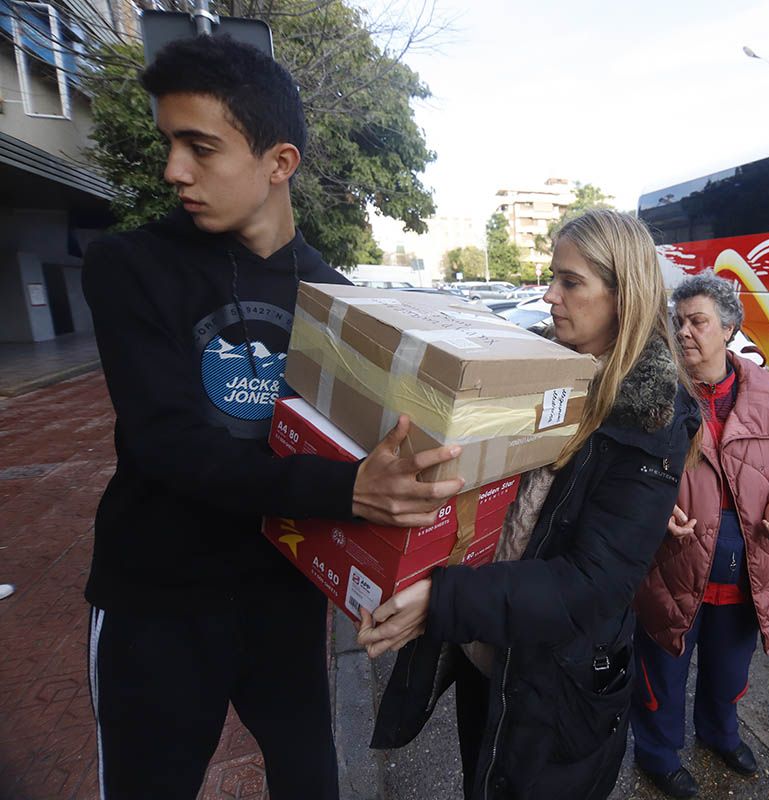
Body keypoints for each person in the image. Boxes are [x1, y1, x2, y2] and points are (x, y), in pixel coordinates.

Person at [82, 36, 464, 799]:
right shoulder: (130, 265)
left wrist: (404, 564)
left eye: (201, 148)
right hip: (155, 599)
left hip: (281, 599)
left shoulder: (338, 299)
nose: (174, 171)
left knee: (313, 783)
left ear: (278, 163)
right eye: (170, 144)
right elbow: (168, 445)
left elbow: (379, 450)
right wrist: (347, 490)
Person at [357, 209, 702, 800]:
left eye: (571, 282)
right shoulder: (530, 372)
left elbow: (592, 585)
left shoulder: (655, 416)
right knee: (483, 777)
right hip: (485, 650)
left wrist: (443, 599)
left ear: (625, 295)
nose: (548, 297)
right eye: (552, 277)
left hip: (555, 684)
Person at [629, 275, 769, 798]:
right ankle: (658, 754)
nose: (684, 331)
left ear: (730, 327)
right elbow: (622, 470)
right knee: (661, 674)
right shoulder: (652, 394)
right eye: (679, 321)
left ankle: (719, 734)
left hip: (748, 567)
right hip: (672, 564)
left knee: (729, 670)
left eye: (698, 321)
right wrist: (655, 505)